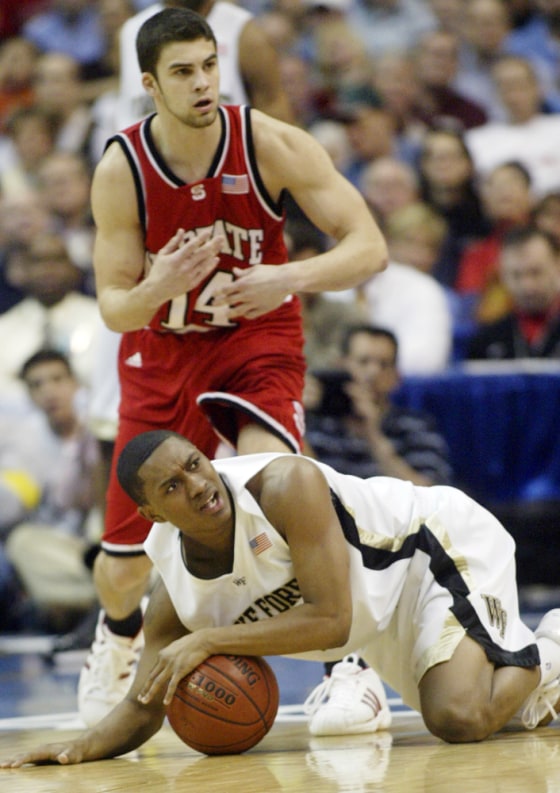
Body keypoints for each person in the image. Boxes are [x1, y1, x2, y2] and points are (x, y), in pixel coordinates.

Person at [77, 7, 387, 728]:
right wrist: (159, 283)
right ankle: (118, 635)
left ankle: (350, 666)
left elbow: (368, 246)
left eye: (210, 65)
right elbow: (115, 307)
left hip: (256, 338)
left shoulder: (269, 142)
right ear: (151, 85)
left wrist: (290, 277)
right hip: (161, 351)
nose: (203, 82)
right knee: (122, 565)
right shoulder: (122, 169)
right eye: (183, 72)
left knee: (281, 486)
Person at [4, 429, 560, 768]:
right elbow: (144, 705)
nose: (197, 485)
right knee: (507, 715)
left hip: (432, 548)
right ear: (151, 513)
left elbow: (331, 621)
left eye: (194, 463)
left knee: (460, 718)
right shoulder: (178, 591)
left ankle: (552, 645)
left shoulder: (283, 485)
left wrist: (210, 640)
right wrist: (77, 749)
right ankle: (527, 669)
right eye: (172, 486)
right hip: (376, 607)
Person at [2, 350, 102, 633]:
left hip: (101, 540)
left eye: (57, 379)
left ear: (75, 384)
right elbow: (11, 505)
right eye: (37, 385)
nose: (49, 391)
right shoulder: (24, 443)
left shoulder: (100, 429)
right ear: (29, 395)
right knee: (21, 542)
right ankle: (109, 597)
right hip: (60, 550)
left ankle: (91, 599)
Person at [466, 225, 560, 360]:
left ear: (557, 266)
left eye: (536, 272)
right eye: (516, 275)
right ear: (502, 274)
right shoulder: (485, 340)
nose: (527, 286)